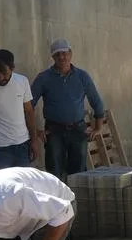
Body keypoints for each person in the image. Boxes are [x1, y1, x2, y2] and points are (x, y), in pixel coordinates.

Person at [30, 38, 106, 179]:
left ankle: (77, 200)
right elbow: (28, 106)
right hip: (54, 132)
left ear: (70, 54)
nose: (61, 57)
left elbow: (96, 102)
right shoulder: (44, 78)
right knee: (54, 172)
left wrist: (98, 128)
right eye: (57, 55)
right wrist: (36, 131)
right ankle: (58, 201)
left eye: (64, 53)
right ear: (53, 57)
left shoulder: (82, 76)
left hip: (78, 130)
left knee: (79, 173)